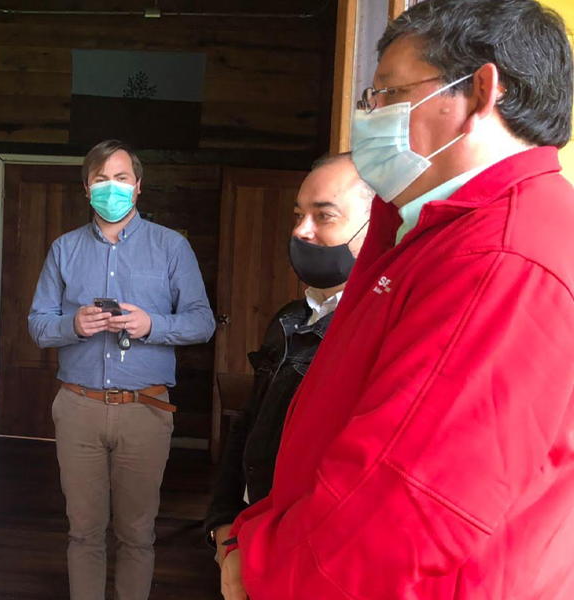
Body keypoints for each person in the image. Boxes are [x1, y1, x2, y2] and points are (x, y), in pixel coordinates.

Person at [220, 0, 574, 598]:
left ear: (480, 92)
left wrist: (264, 569)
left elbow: (409, 502)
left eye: (387, 94)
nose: (370, 116)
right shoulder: (431, 227)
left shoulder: (502, 255)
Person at [29, 139, 215, 600]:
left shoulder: (171, 247)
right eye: (100, 180)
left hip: (145, 410)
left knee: (137, 534)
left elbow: (202, 322)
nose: (111, 188)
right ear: (86, 188)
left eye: (121, 178)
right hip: (78, 407)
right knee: (83, 532)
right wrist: (73, 325)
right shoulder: (64, 249)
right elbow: (38, 324)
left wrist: (153, 324)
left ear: (138, 186)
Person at [204, 154, 372, 566]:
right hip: (248, 536)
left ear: (375, 227)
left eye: (323, 216)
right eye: (299, 215)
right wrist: (224, 526)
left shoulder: (373, 333)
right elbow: (248, 426)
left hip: (300, 553)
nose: (300, 231)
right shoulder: (289, 319)